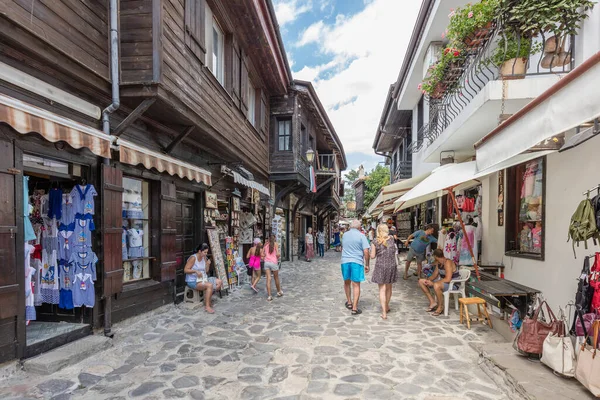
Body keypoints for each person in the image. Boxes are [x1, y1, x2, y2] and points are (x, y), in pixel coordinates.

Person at [417, 248, 460, 316]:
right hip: (444, 283)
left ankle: (440, 307)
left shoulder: (448, 263)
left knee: (436, 285)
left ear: (436, 257)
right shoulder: (439, 263)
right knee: (421, 281)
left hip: (453, 285)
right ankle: (432, 302)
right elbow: (434, 275)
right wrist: (428, 280)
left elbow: (448, 279)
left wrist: (434, 283)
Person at [341, 220, 370, 315]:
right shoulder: (362, 236)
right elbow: (366, 251)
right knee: (356, 284)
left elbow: (343, 247)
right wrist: (367, 264)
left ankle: (349, 302)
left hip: (345, 261)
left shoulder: (345, 235)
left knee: (346, 282)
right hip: (356, 261)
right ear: (359, 227)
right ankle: (354, 308)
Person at [184, 243, 222, 314]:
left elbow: (206, 271)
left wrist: (207, 264)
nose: (206, 254)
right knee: (209, 285)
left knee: (219, 282)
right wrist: (195, 271)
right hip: (193, 281)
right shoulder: (193, 258)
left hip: (203, 279)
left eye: (207, 252)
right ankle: (207, 306)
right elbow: (185, 270)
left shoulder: (204, 258)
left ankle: (208, 296)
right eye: (204, 252)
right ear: (199, 251)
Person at [370, 224, 398, 320]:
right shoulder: (391, 239)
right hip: (391, 265)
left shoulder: (375, 242)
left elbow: (372, 256)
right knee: (389, 288)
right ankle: (386, 306)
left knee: (382, 289)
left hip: (380, 266)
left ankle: (384, 312)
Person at [262, 234, 282, 301]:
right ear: (275, 238)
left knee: (268, 279)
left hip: (266, 263)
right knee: (276, 278)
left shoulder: (266, 245)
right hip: (273, 263)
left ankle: (269, 296)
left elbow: (262, 254)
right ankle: (279, 291)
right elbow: (278, 254)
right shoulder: (275, 244)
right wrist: (278, 256)